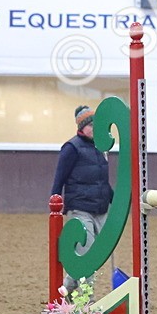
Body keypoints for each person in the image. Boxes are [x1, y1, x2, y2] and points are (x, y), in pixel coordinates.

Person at [49, 105, 114, 290]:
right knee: (86, 254)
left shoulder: (101, 147)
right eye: (90, 125)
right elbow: (59, 178)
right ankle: (87, 300)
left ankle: (66, 289)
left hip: (100, 208)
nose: (94, 129)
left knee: (97, 253)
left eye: (96, 125)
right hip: (80, 208)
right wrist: (55, 202)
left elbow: (102, 181)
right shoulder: (71, 148)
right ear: (81, 127)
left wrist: (115, 199)